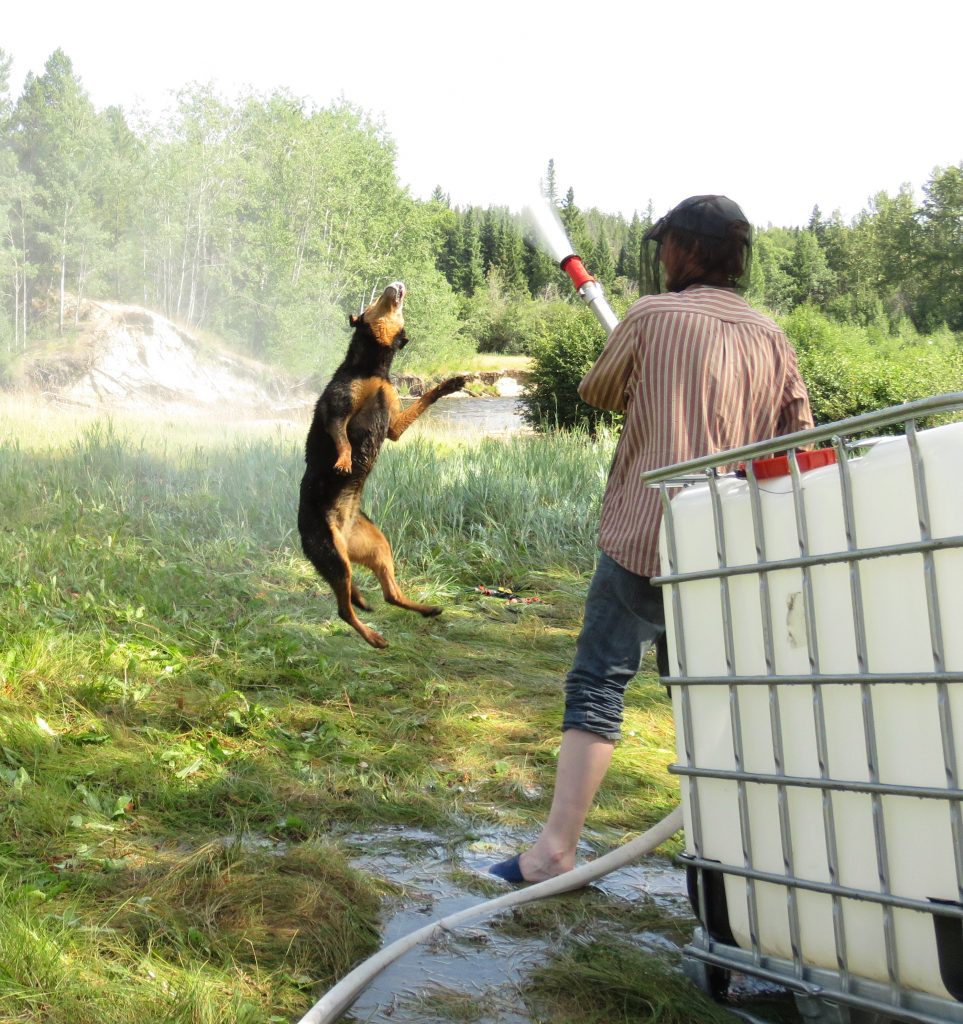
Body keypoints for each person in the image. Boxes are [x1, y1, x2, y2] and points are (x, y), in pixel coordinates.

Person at [490, 195, 814, 883]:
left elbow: (599, 391)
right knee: (705, 697)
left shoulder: (649, 315)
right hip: (725, 551)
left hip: (647, 538)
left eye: (667, 243)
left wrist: (651, 381)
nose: (660, 253)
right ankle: (738, 862)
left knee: (598, 683)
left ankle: (552, 853)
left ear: (688, 251)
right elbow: (795, 446)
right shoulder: (770, 335)